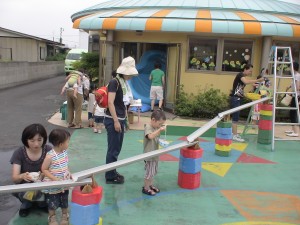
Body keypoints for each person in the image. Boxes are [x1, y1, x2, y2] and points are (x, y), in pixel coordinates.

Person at [104, 56, 138, 184]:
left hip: (120, 118)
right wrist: (116, 121)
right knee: (113, 149)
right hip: (113, 120)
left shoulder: (124, 83)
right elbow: (110, 103)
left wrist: (125, 122)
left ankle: (112, 171)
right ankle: (110, 176)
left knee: (116, 149)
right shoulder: (115, 82)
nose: (131, 76)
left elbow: (123, 105)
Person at [10, 123, 51, 217]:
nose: (36, 144)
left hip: (43, 184)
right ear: (26, 140)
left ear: (44, 138)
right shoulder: (19, 153)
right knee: (22, 192)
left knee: (51, 189)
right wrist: (22, 176)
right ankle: (26, 205)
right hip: (26, 186)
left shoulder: (49, 150)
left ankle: (42, 204)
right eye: (32, 140)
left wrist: (45, 175)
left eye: (39, 140)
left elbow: (56, 169)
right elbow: (15, 178)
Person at [41, 129, 71, 225]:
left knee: (64, 201)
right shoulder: (50, 156)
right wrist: (54, 178)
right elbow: (44, 169)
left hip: (64, 182)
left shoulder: (64, 152)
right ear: (60, 144)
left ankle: (64, 215)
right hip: (53, 185)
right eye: (67, 141)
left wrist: (69, 173)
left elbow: (65, 164)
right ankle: (52, 218)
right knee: (52, 203)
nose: (68, 143)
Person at [230, 64, 264, 142]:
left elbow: (239, 89)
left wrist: (246, 95)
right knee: (235, 117)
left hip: (238, 98)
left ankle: (234, 134)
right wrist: (257, 80)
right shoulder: (240, 75)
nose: (250, 72)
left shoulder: (242, 76)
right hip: (235, 98)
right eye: (250, 71)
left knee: (236, 117)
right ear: (245, 69)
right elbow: (246, 82)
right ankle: (234, 135)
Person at [143, 110, 166, 196]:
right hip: (149, 155)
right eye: (159, 124)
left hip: (154, 154)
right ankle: (146, 188)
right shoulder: (148, 127)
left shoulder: (155, 127)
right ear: (153, 120)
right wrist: (159, 129)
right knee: (149, 173)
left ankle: (150, 185)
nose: (160, 126)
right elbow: (150, 136)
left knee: (153, 171)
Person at [285, 62, 300, 137]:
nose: (289, 69)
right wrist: (289, 88)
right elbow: (293, 85)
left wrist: (293, 92)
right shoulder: (295, 76)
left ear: (293, 67)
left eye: (290, 67)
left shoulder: (297, 76)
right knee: (292, 112)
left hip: (296, 96)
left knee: (293, 113)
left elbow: (298, 87)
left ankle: (296, 131)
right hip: (294, 95)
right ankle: (293, 129)